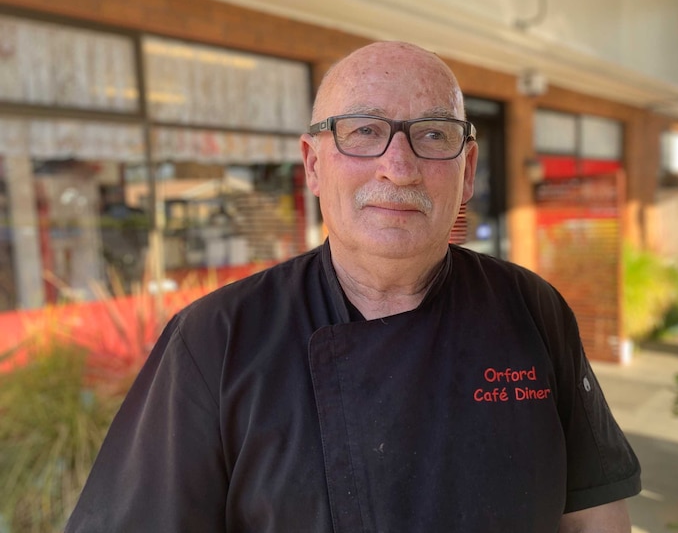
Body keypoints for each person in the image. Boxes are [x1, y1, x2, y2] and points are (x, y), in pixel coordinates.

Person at [66, 41, 640, 532]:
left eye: (433, 135)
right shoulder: (214, 339)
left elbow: (596, 511)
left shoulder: (533, 308)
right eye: (364, 131)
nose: (399, 166)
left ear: (467, 171)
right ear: (313, 165)